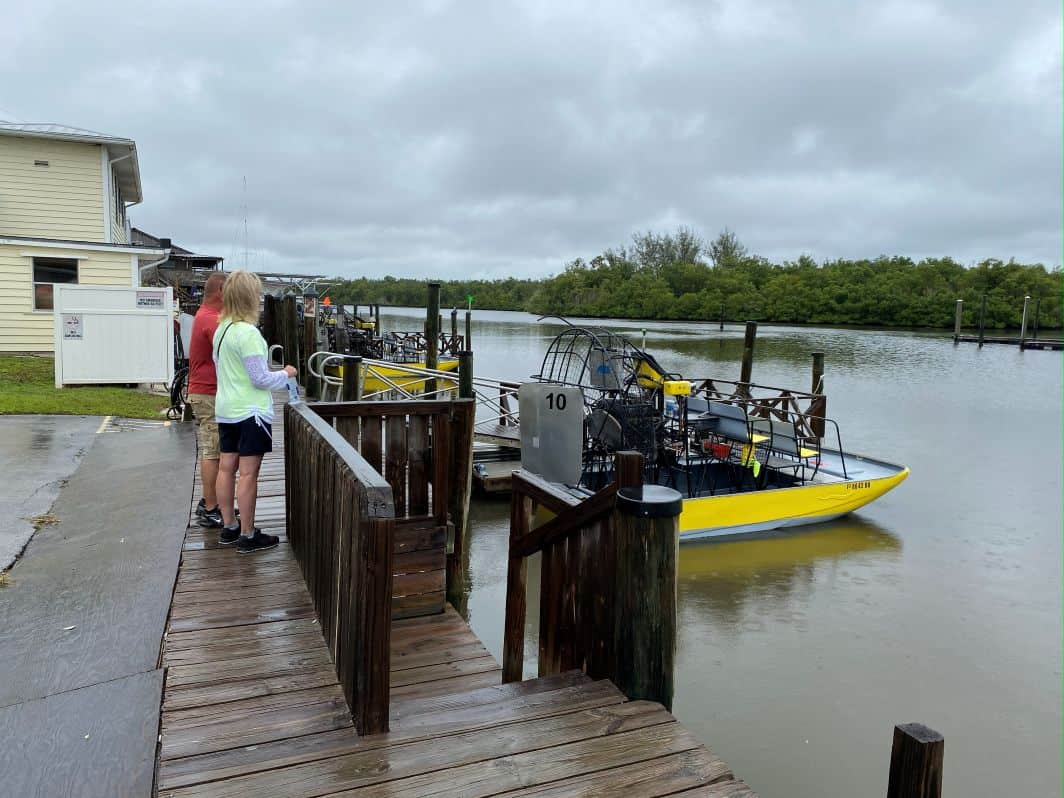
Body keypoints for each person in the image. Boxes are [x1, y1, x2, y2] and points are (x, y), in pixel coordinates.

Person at [213, 270, 297, 552]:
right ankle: (248, 535)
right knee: (248, 474)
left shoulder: (222, 330)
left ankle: (229, 526)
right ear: (250, 298)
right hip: (250, 413)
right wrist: (286, 373)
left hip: (226, 409)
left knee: (226, 468)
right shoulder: (248, 334)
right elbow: (260, 378)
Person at [187, 272, 227, 528]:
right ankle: (211, 507)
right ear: (221, 291)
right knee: (213, 451)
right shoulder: (211, 319)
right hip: (208, 393)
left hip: (208, 392)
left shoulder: (204, 315)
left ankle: (211, 501)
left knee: (215, 449)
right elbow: (230, 347)